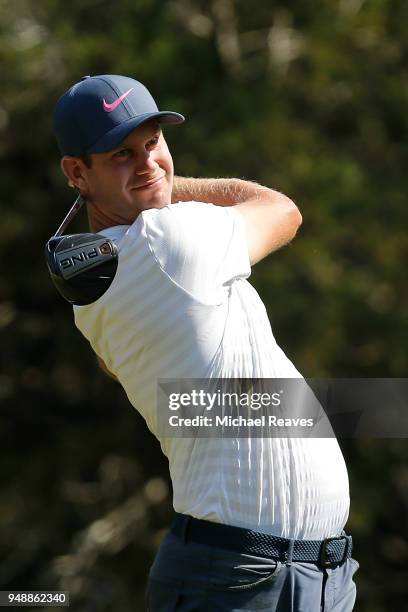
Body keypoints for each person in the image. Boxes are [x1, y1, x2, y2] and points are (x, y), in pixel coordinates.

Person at [53, 74, 359, 611]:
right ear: (77, 173)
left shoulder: (97, 281)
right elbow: (281, 209)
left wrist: (141, 183)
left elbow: (108, 363)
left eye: (153, 144)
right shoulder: (169, 239)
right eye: (122, 154)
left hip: (309, 573)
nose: (148, 162)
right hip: (239, 577)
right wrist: (171, 186)